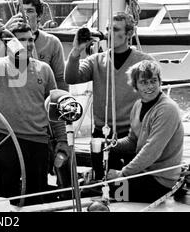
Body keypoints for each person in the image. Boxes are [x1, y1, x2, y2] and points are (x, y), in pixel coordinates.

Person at [0, 21, 69, 205]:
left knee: (36, 196)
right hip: (5, 140)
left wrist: (63, 140)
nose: (28, 44)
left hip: (38, 142)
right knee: (3, 196)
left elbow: (55, 108)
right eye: (22, 40)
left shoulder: (44, 69)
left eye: (31, 40)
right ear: (11, 44)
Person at [65, 12, 154, 180]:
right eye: (107, 29)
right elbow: (71, 78)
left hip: (130, 135)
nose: (108, 33)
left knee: (125, 188)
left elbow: (154, 97)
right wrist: (76, 51)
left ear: (129, 33)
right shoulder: (96, 60)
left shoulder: (144, 62)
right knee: (101, 181)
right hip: (101, 134)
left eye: (114, 29)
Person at [106, 60, 184, 202]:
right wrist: (111, 144)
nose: (150, 86)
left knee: (111, 188)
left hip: (160, 180)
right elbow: (132, 141)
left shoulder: (167, 109)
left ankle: (112, 190)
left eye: (153, 81)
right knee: (110, 156)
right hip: (145, 171)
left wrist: (122, 174)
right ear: (135, 85)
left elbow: (151, 151)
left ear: (160, 82)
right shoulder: (138, 105)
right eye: (143, 82)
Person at [5, 0, 68, 90]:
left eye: (29, 11)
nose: (24, 16)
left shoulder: (51, 42)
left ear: (39, 16)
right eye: (21, 12)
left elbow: (60, 79)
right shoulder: (9, 41)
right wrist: (5, 32)